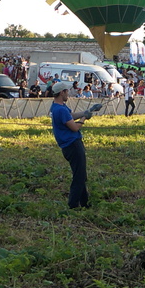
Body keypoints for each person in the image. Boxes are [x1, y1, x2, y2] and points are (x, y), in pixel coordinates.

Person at [50, 81, 91, 209]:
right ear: (62, 92)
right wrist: (85, 119)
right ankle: (73, 205)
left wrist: (85, 112)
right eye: (67, 91)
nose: (68, 93)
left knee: (80, 174)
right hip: (73, 145)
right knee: (79, 176)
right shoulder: (61, 110)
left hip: (68, 146)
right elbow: (74, 127)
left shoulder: (57, 107)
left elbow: (71, 116)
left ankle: (85, 203)